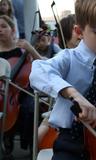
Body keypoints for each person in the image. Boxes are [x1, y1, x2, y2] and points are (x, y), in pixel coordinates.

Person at [29, 0, 96, 159]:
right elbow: (39, 71)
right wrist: (73, 93)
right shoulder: (68, 58)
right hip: (70, 141)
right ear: (79, 31)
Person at [0, 15, 44, 157]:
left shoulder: (22, 48)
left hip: (22, 91)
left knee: (30, 108)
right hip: (2, 91)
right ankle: (7, 139)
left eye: (3, 26)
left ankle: (30, 143)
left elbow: (43, 64)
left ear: (12, 29)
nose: (0, 30)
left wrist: (30, 48)